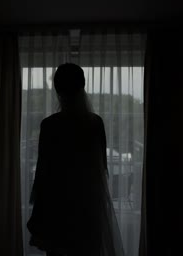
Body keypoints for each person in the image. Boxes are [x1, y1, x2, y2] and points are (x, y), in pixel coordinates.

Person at [27, 63, 124, 256]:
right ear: (82, 86)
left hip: (57, 208)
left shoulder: (49, 125)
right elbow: (102, 168)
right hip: (88, 207)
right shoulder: (95, 123)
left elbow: (43, 172)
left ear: (57, 89)